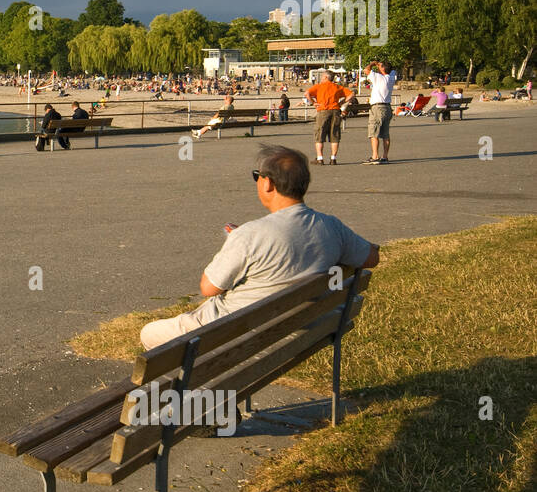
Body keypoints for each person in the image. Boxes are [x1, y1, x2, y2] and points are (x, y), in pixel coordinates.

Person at [140, 146, 380, 350]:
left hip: (233, 333)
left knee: (149, 333)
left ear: (268, 183)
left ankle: (189, 399)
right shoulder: (331, 227)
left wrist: (238, 243)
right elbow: (371, 257)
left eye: (258, 176)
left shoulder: (249, 235)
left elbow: (209, 288)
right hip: (300, 330)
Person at [304, 70, 353, 165]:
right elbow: (351, 94)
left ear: (326, 77)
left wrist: (313, 103)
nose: (321, 78)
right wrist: (341, 102)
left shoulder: (319, 86)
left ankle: (320, 158)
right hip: (335, 110)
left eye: (322, 77)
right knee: (334, 135)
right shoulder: (337, 87)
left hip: (323, 110)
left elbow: (307, 93)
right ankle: (333, 158)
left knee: (319, 135)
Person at [363, 61, 395, 164]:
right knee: (385, 134)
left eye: (380, 66)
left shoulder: (378, 77)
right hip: (387, 107)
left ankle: (375, 156)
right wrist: (381, 66)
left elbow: (366, 70)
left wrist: (372, 63)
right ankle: (385, 156)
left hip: (378, 107)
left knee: (374, 133)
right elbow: (392, 70)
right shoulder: (391, 78)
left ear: (382, 69)